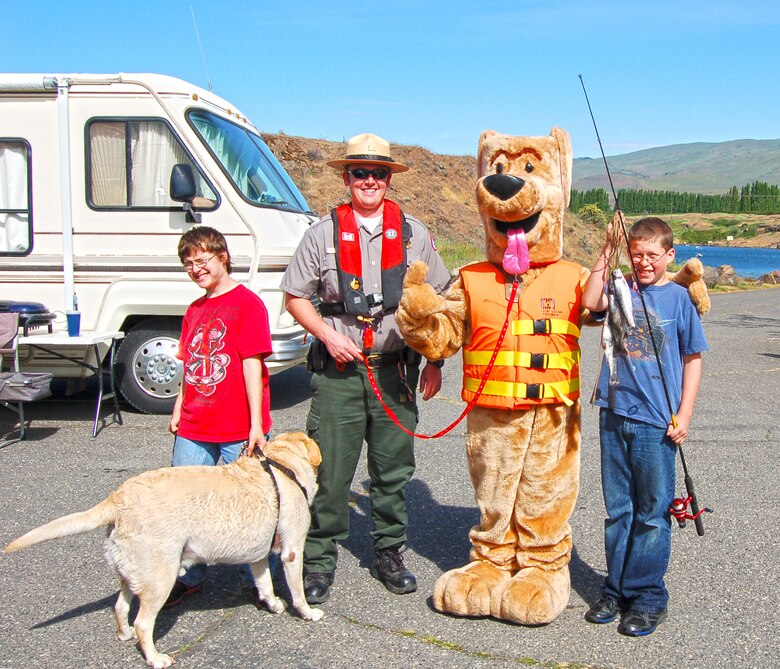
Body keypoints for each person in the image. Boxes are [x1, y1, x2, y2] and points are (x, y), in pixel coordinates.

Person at [280, 133, 451, 604]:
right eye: (360, 172)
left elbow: (442, 299)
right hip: (340, 371)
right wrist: (328, 334)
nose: (370, 181)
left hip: (395, 371)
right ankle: (317, 561)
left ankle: (389, 551)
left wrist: (434, 358)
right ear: (346, 177)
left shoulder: (413, 234)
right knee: (330, 470)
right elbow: (295, 297)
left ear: (390, 178)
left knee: (392, 470)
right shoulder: (322, 234)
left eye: (379, 173)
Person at [581, 215, 708, 636]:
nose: (644, 263)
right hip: (613, 414)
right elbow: (592, 298)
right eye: (636, 255)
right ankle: (615, 590)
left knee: (652, 514)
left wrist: (684, 414)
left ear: (670, 256)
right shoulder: (621, 289)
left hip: (657, 424)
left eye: (653, 255)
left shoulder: (679, 300)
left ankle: (648, 596)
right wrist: (607, 248)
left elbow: (693, 357)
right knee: (619, 510)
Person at [165, 225, 273, 607]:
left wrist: (256, 425)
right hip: (195, 426)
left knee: (249, 507)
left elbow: (251, 365)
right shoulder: (194, 310)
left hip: (236, 427)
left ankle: (261, 579)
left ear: (222, 257)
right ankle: (190, 575)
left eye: (202, 260)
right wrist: (179, 408)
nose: (196, 269)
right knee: (186, 504)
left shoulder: (247, 304)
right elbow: (190, 365)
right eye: (188, 264)